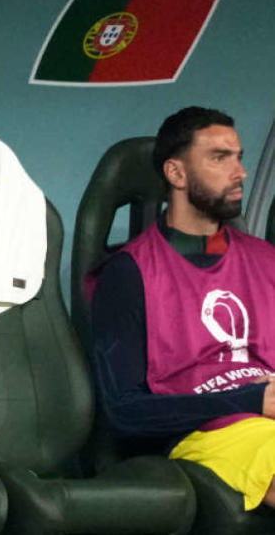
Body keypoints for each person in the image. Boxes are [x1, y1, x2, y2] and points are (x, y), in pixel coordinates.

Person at [92, 106, 275, 511]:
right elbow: (123, 411)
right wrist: (249, 401)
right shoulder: (129, 273)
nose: (240, 172)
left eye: (240, 157)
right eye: (219, 158)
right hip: (209, 430)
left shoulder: (267, 261)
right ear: (176, 174)